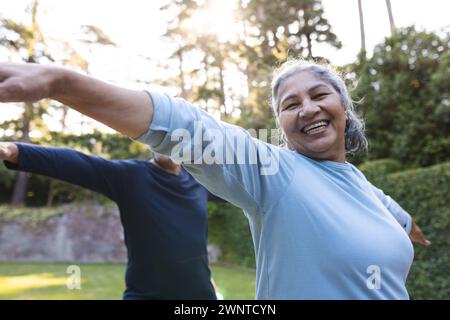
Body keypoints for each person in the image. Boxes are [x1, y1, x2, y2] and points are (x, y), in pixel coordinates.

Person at [0, 60, 430, 299]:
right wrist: (61, 82)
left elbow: (389, 208)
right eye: (290, 103)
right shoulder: (277, 173)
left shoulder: (358, 183)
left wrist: (408, 224)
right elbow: (187, 128)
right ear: (281, 123)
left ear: (344, 107)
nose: (308, 108)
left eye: (319, 95)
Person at [0, 141, 220, 300]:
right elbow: (73, 163)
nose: (165, 143)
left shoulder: (200, 182)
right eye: (158, 136)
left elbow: (247, 188)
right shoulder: (130, 176)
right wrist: (14, 151)